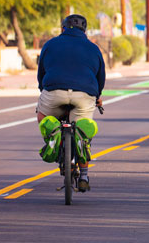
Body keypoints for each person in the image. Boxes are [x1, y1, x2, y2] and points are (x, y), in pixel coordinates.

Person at [36, 14, 105, 192]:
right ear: (85, 30)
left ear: (63, 28)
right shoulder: (93, 48)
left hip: (54, 91)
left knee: (42, 115)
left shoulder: (50, 44)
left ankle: (54, 139)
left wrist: (44, 89)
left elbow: (41, 73)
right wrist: (97, 95)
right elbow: (100, 77)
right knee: (83, 131)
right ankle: (83, 175)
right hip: (84, 94)